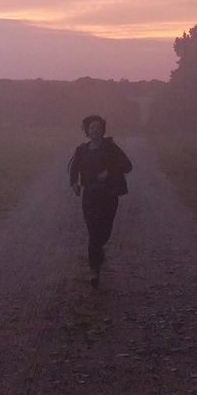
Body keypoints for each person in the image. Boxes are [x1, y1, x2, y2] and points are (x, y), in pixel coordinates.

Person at [67, 114, 132, 288]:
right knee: (93, 233)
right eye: (91, 127)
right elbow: (73, 169)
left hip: (109, 196)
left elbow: (128, 166)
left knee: (104, 232)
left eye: (98, 127)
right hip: (90, 196)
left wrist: (109, 172)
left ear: (103, 130)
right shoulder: (81, 149)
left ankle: (98, 252)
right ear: (87, 131)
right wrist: (74, 183)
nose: (94, 130)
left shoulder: (111, 147)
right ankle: (94, 271)